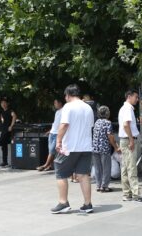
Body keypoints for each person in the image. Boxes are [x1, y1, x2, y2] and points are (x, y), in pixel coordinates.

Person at [51, 84, 95, 214]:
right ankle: (88, 204)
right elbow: (90, 125)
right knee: (83, 175)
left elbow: (64, 125)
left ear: (68, 95)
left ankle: (63, 202)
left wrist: (58, 141)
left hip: (69, 147)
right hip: (86, 147)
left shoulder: (68, 107)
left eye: (65, 96)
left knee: (60, 173)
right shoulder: (88, 107)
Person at [118, 90, 142, 203]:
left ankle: (127, 194)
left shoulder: (124, 108)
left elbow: (125, 125)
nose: (137, 99)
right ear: (129, 96)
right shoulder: (127, 109)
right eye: (136, 97)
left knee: (125, 168)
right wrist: (131, 140)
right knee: (131, 168)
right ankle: (136, 195)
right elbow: (126, 125)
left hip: (124, 140)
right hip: (128, 140)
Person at [92, 106, 119, 193]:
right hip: (104, 148)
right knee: (106, 168)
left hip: (95, 148)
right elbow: (110, 136)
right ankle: (105, 186)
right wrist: (115, 147)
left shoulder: (96, 122)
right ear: (107, 113)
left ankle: (98, 185)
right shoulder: (108, 123)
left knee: (97, 168)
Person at [37, 98, 64, 171]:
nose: (54, 105)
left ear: (60, 103)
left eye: (55, 103)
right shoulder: (57, 112)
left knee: (52, 150)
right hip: (52, 133)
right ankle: (50, 166)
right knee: (50, 151)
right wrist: (50, 130)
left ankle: (45, 165)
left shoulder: (64, 111)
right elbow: (55, 123)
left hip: (57, 134)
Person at [0, 97, 17, 167]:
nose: (3, 104)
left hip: (8, 130)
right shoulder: (2, 112)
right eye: (2, 103)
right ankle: (4, 162)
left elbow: (14, 116)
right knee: (3, 146)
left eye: (4, 103)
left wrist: (11, 126)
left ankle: (12, 161)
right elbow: (2, 121)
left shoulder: (10, 110)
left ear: (7, 104)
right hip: (3, 130)